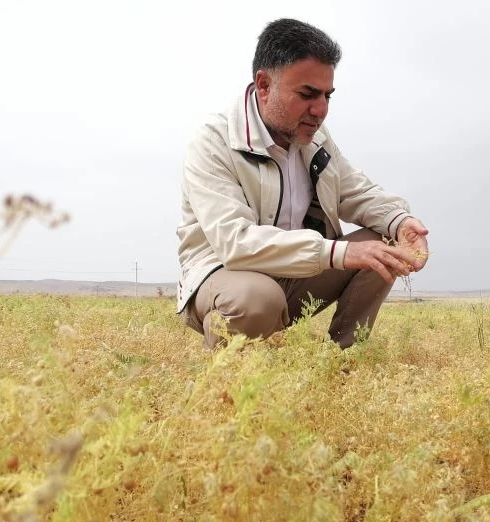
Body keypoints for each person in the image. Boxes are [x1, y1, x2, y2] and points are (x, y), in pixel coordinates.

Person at [176, 18, 429, 349]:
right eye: (307, 94)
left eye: (327, 95)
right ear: (264, 85)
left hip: (294, 275)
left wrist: (402, 223)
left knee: (387, 237)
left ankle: (343, 361)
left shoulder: (314, 138)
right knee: (256, 299)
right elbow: (235, 243)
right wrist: (339, 252)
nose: (320, 109)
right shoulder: (214, 141)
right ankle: (231, 386)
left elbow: (356, 192)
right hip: (226, 279)